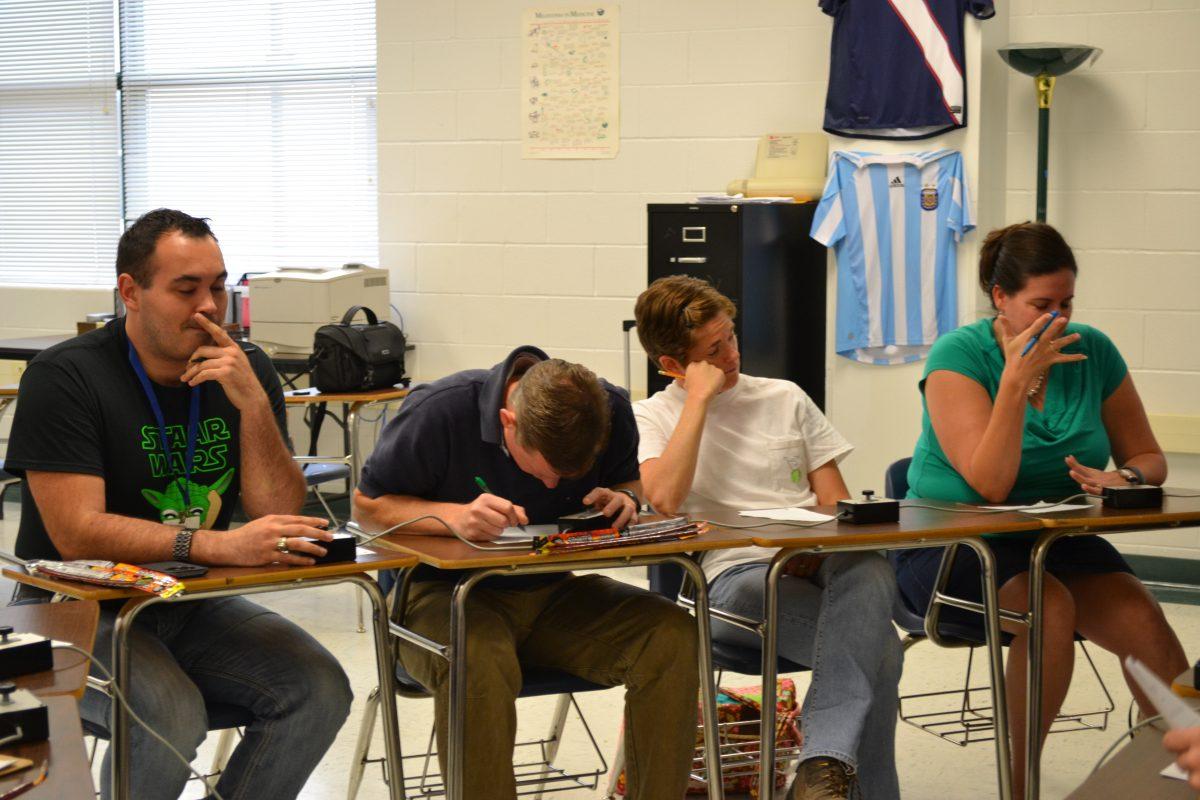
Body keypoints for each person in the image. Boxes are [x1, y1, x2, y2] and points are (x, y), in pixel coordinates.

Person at [4, 209, 352, 800]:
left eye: (217, 286)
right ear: (130, 292)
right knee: (170, 714)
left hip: (185, 598)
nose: (209, 306)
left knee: (319, 688)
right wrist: (219, 543)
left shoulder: (245, 370)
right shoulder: (65, 376)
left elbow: (276, 511)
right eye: (186, 289)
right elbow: (75, 532)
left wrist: (253, 405)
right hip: (71, 610)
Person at [891, 221, 1188, 798]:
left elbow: (1149, 457)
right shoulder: (959, 355)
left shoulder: (1093, 350)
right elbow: (990, 484)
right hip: (955, 542)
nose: (1058, 319)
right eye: (1041, 305)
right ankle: (1019, 785)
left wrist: (1122, 477)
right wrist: (1014, 381)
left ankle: (1182, 772)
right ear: (1000, 298)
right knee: (1046, 607)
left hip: (1054, 537)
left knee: (1143, 619)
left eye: (1067, 303)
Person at [352, 347, 698, 800]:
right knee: (476, 655)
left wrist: (623, 497)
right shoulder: (441, 412)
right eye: (545, 470)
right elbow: (368, 508)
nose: (551, 487)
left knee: (671, 634)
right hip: (438, 598)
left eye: (566, 475)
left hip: (551, 591)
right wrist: (448, 516)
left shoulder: (608, 408)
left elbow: (628, 481)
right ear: (507, 422)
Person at [632, 275, 903, 800]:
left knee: (868, 565)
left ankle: (822, 768)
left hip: (814, 563)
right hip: (734, 579)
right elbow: (663, 497)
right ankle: (839, 773)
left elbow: (835, 508)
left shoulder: (786, 397)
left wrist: (810, 547)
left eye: (730, 337)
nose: (732, 354)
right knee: (882, 651)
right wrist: (699, 401)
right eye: (714, 350)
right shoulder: (651, 415)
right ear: (671, 364)